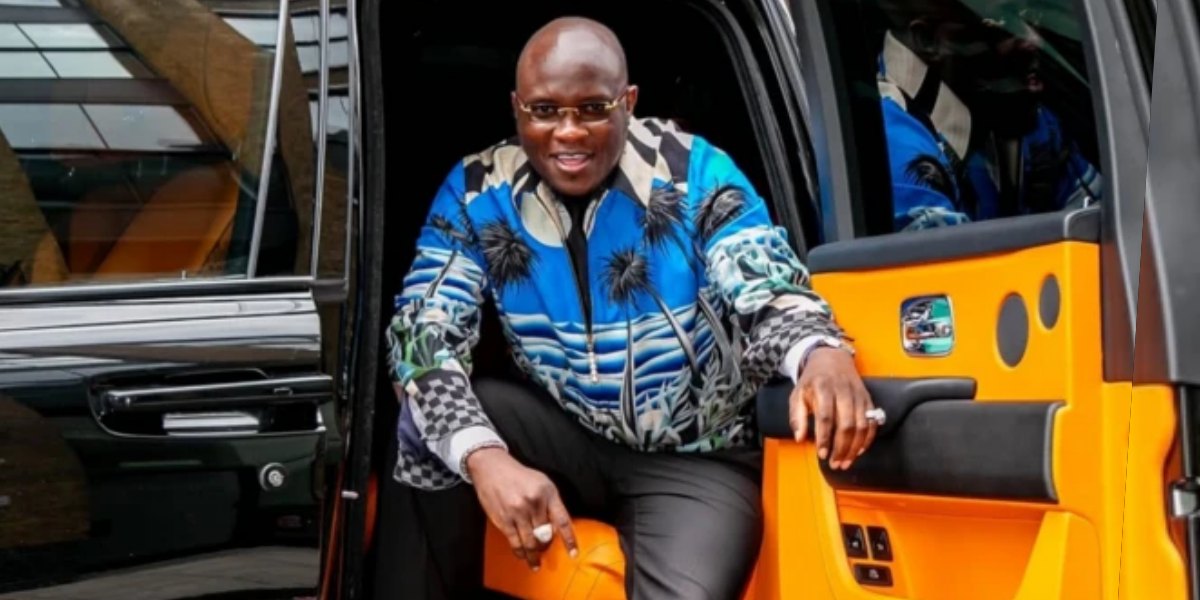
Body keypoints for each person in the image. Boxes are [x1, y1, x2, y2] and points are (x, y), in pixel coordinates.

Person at [377, 16, 877, 599]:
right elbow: (421, 333)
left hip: (698, 461)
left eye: (593, 109)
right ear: (517, 108)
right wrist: (484, 457)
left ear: (629, 102)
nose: (568, 132)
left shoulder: (694, 172)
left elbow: (763, 282)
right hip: (565, 433)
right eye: (544, 111)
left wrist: (818, 354)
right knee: (427, 423)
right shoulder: (475, 190)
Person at [876, 0, 1103, 231]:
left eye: (1031, 17)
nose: (1034, 41)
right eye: (1006, 23)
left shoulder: (1019, 114)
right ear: (928, 40)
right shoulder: (897, 152)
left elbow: (1101, 218)